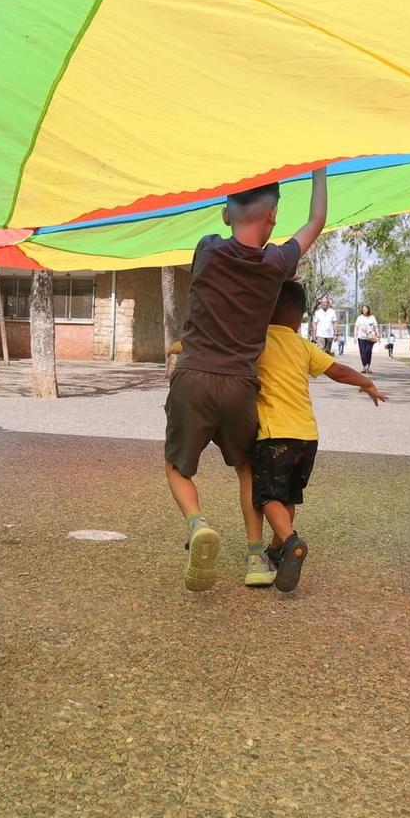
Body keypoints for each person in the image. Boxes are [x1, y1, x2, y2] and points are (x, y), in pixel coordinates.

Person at [167, 169, 328, 592]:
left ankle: (197, 523)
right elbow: (316, 222)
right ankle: (256, 556)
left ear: (226, 214)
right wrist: (320, 168)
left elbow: (230, 224)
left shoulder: (208, 250)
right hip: (240, 384)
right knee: (246, 469)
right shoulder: (276, 263)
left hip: (194, 376)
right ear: (272, 216)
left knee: (178, 465)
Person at [247, 280, 386, 591]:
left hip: (274, 434)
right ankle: (278, 549)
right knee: (288, 496)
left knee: (267, 495)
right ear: (300, 318)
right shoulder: (303, 346)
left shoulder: (257, 341)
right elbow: (337, 371)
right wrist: (366, 383)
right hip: (307, 437)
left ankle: (292, 540)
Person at [353, 305, 380, 372]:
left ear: (368, 309)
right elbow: (356, 328)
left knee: (368, 351)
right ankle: (364, 366)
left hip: (370, 338)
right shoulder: (359, 318)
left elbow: (376, 327)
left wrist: (378, 336)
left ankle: (368, 366)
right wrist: (355, 337)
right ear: (362, 310)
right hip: (361, 338)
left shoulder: (372, 317)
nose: (364, 310)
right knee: (363, 352)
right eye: (363, 309)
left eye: (366, 309)